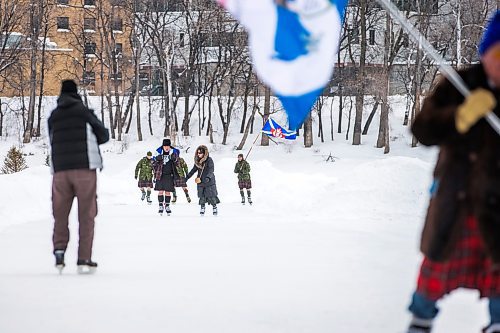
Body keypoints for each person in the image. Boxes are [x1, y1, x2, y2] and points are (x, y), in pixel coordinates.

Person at [406, 11, 500, 333]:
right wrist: (459, 117)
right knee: (435, 269)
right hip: (456, 200)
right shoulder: (460, 84)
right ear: (486, 52)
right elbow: (422, 130)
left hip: (497, 205)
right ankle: (420, 321)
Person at [48, 79, 109, 274]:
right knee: (86, 214)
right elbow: (104, 136)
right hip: (84, 169)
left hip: (60, 171)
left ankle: (59, 250)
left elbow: (52, 139)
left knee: (60, 214)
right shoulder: (84, 112)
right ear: (76, 94)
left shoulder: (53, 116)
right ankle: (84, 257)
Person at [186, 145, 220, 216]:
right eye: (198, 153)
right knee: (202, 195)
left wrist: (208, 177)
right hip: (200, 181)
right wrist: (187, 178)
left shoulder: (209, 160)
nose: (199, 154)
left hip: (209, 181)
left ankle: (214, 207)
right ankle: (202, 207)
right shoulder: (197, 161)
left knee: (211, 195)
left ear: (204, 153)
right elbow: (193, 170)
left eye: (200, 153)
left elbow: (211, 170)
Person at [152, 138, 179, 215]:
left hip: (169, 176)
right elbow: (152, 164)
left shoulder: (173, 152)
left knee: (167, 192)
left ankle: (167, 206)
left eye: (168, 146)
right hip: (160, 175)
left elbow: (178, 163)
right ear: (163, 146)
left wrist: (174, 159)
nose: (167, 148)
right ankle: (160, 205)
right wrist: (157, 159)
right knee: (160, 191)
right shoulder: (158, 152)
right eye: (165, 146)